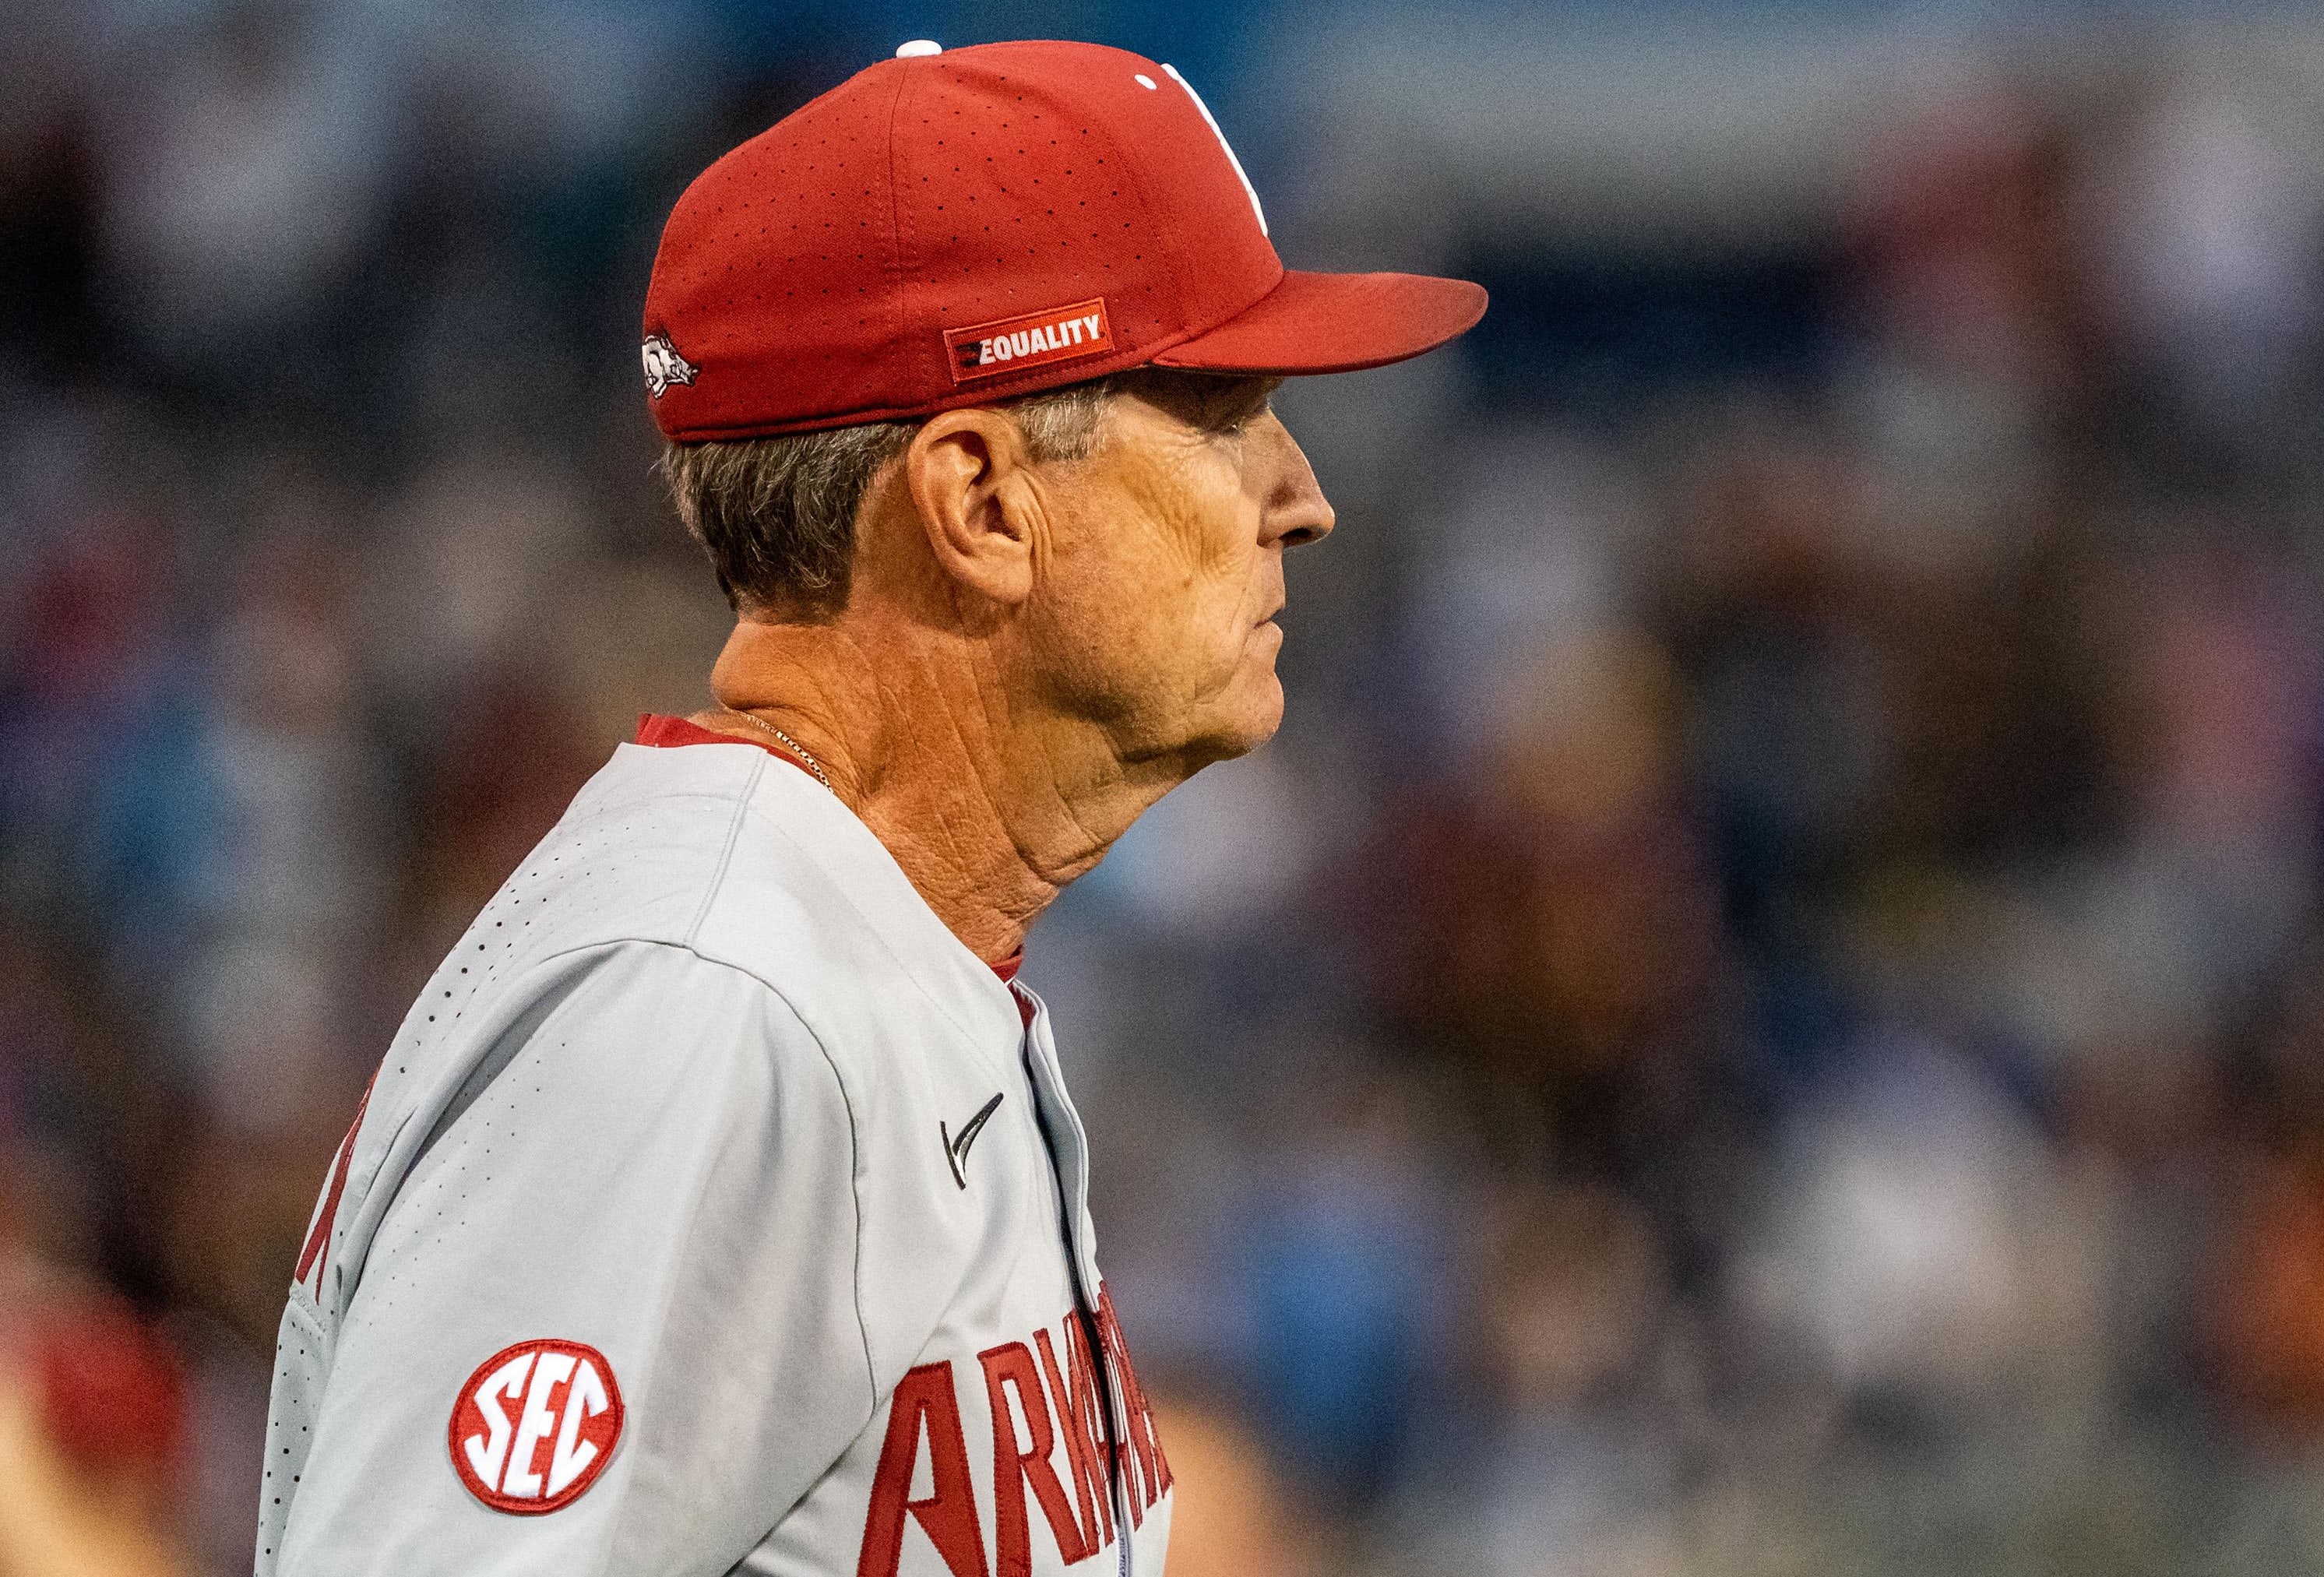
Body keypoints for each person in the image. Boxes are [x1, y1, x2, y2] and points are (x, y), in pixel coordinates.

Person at [255, 38, 1484, 1577]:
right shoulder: (702, 1005)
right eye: (1225, 406)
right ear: (978, 503)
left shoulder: (861, 949)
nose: (1299, 492)